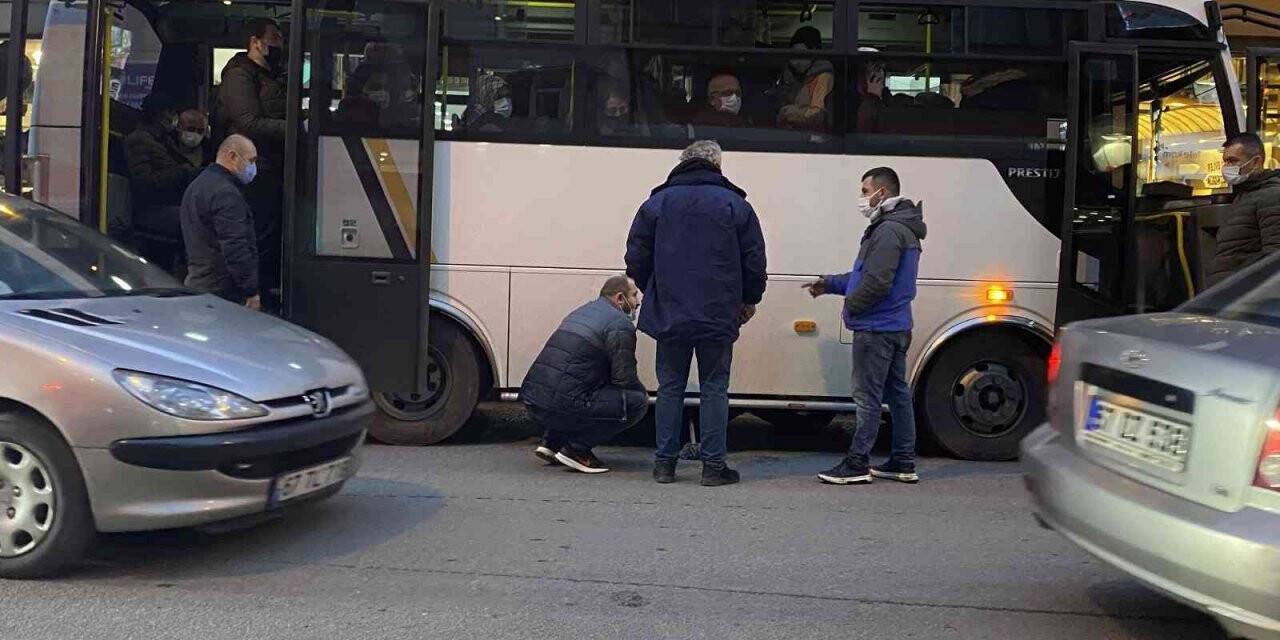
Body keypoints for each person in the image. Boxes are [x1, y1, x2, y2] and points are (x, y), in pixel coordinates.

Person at [625, 140, 767, 487]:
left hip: (670, 309)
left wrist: (654, 288)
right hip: (719, 311)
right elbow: (754, 260)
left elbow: (635, 257)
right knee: (715, 387)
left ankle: (664, 465)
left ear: (683, 164)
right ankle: (713, 467)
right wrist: (749, 300)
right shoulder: (736, 205)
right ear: (716, 165)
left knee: (670, 386)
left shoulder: (656, 204)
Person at [803, 167, 926, 486]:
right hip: (896, 325)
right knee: (897, 393)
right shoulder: (902, 228)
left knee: (867, 396)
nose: (862, 198)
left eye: (864, 190)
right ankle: (902, 460)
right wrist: (829, 284)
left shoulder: (887, 231)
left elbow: (875, 283)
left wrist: (851, 307)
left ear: (881, 193)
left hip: (877, 327)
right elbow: (864, 277)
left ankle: (857, 462)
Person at [520, 276, 648, 474]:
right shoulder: (620, 324)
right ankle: (577, 450)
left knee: (578, 385)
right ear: (620, 298)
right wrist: (640, 393)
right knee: (636, 402)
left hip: (534, 398)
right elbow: (624, 378)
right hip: (559, 403)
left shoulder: (583, 311)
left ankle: (551, 442)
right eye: (634, 295)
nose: (638, 301)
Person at [217, 17, 287, 310]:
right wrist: (294, 128)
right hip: (256, 167)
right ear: (255, 42)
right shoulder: (239, 75)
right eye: (273, 37)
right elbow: (247, 122)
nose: (279, 44)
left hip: (272, 165)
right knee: (256, 234)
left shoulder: (274, 76)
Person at [180, 134, 261, 310]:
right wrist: (250, 290)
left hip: (198, 282)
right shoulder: (227, 194)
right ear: (232, 156)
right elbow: (235, 246)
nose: (253, 168)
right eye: (251, 160)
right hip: (221, 292)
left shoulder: (198, 186)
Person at [123, 93, 202, 251]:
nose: (174, 118)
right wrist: (184, 173)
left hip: (170, 204)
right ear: (157, 114)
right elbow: (145, 183)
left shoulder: (164, 141)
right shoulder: (139, 140)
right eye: (170, 113)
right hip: (152, 209)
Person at [1209, 132, 1280, 286]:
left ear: (1256, 162)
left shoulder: (1272, 197)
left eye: (1233, 161)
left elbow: (1275, 259)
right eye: (1225, 162)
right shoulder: (1244, 196)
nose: (1227, 167)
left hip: (1243, 295)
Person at [776, 26, 834, 132]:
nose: (796, 62)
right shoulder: (794, 76)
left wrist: (792, 113)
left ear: (814, 52)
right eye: (793, 55)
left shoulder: (823, 76)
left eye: (802, 54)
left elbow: (818, 115)